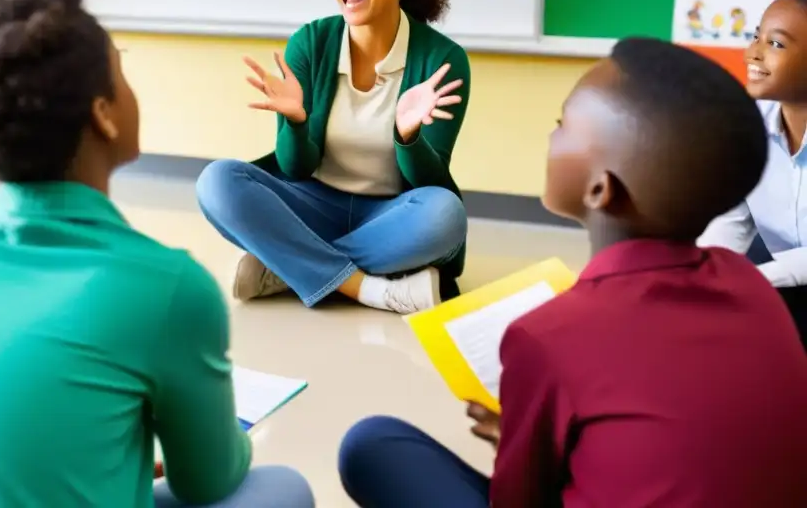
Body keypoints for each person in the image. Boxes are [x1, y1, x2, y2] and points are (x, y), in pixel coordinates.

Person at [0, 0, 314, 508]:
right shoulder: (169, 287)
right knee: (283, 490)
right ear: (103, 115)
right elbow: (207, 481)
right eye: (121, 71)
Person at [339, 38, 807, 507]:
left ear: (601, 188)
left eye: (563, 125)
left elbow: (519, 501)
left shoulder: (545, 336)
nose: (551, 135)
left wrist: (516, 444)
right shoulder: (753, 286)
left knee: (369, 445)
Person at [196, 0, 469, 314]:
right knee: (217, 181)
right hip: (311, 202)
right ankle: (370, 289)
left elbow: (431, 182)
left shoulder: (442, 59)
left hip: (391, 212)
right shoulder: (311, 43)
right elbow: (296, 166)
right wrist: (296, 122)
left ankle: (286, 268)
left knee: (444, 216)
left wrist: (406, 136)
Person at [700, 0, 807, 346]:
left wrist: (750, 281)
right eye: (756, 37)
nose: (752, 55)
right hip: (783, 281)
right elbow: (732, 217)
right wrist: (705, 275)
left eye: (775, 44)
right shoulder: (748, 122)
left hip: (782, 279)